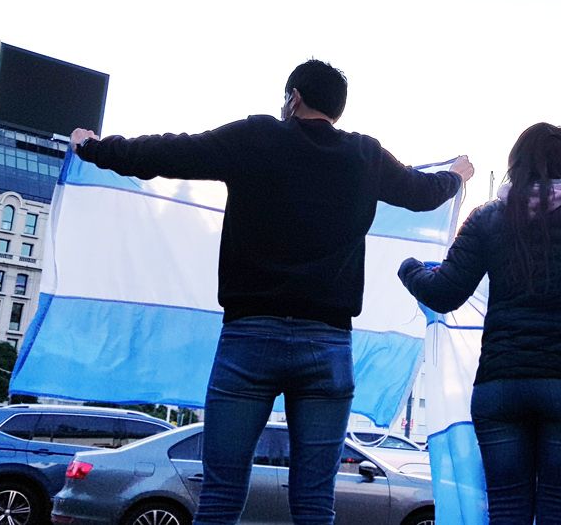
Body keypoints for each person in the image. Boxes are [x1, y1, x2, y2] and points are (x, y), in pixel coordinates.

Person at [70, 59, 473, 525]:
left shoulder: (257, 137)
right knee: (315, 500)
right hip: (327, 343)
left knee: (221, 495)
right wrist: (457, 176)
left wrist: (95, 148)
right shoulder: (364, 155)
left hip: (249, 338)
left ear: (293, 97)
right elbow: (423, 193)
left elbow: (168, 152)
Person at [396, 122, 561, 525]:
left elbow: (443, 293)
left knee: (507, 513)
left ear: (514, 165)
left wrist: (410, 269)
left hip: (502, 386)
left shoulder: (487, 219)